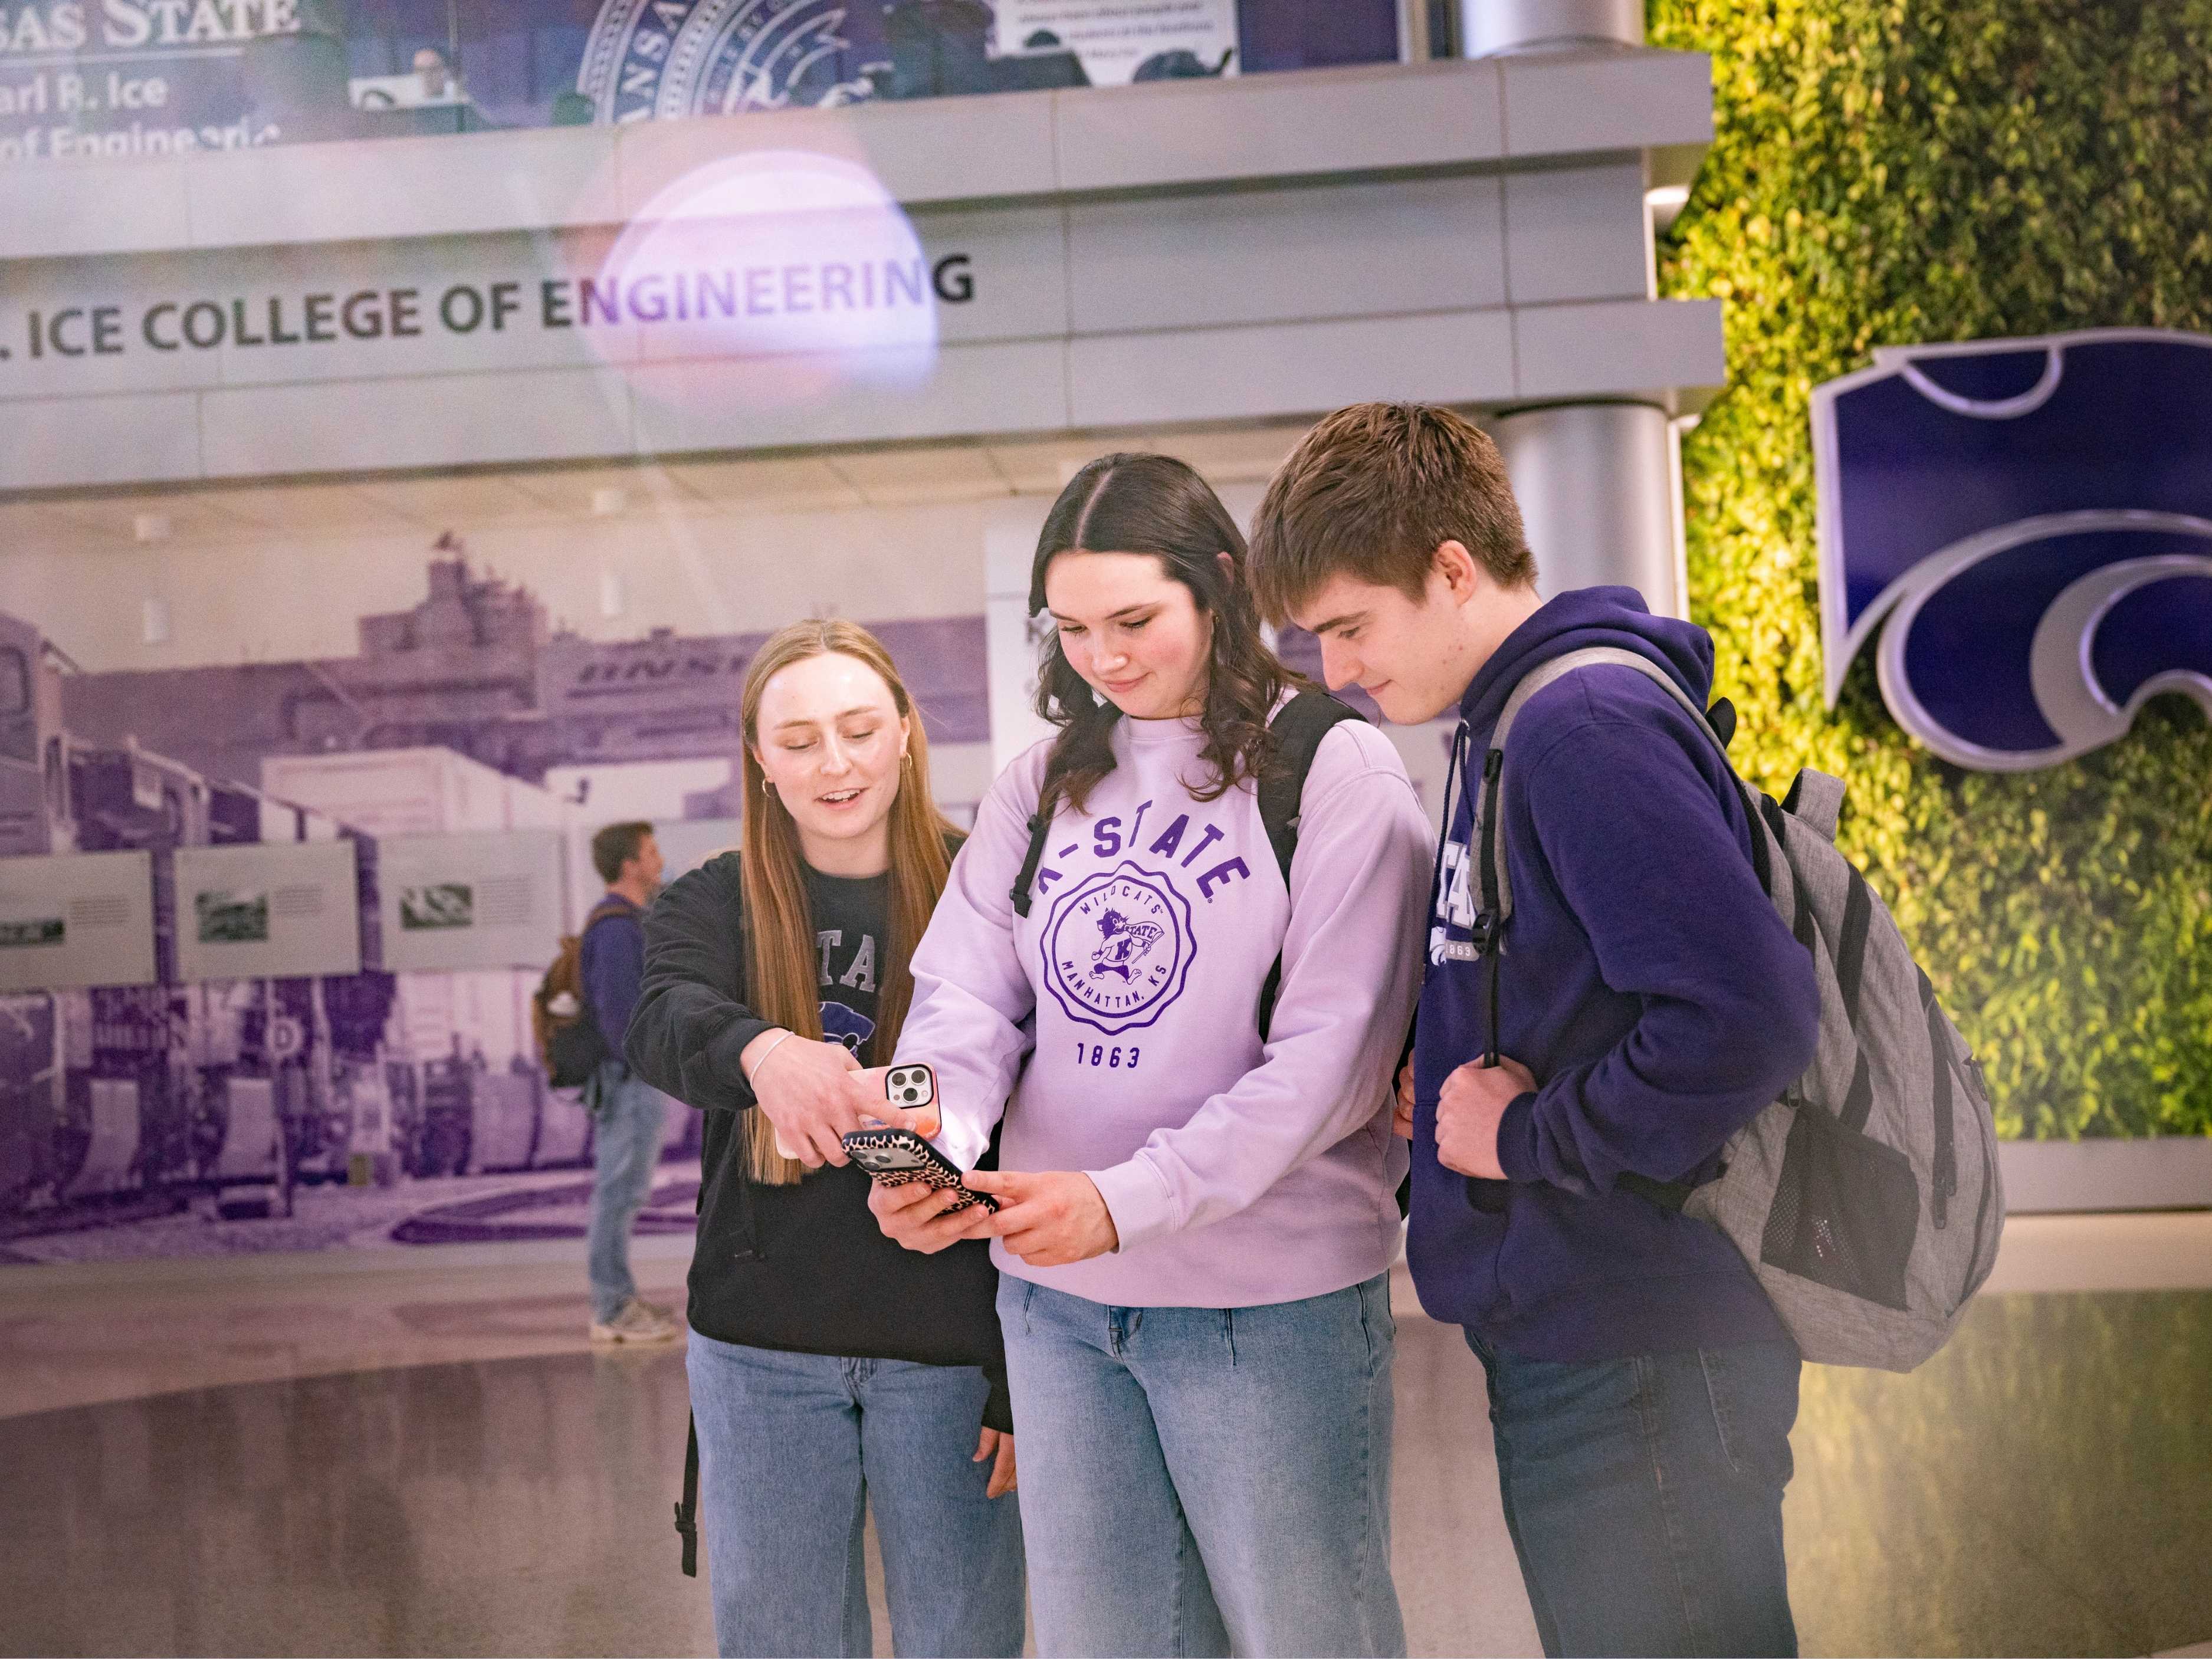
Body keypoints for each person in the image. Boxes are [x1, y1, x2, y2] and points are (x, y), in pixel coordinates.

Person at [1244, 402, 1823, 1659]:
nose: (1337, 670)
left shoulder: (1579, 728)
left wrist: (1525, 1133)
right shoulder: (1508, 726)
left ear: (1451, 569)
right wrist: (1445, 1066)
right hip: (1592, 1327)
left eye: (1352, 625)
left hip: (1640, 1345)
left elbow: (1751, 1015)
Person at [863, 454, 1430, 1658]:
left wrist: (1123, 1202)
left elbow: (1329, 1062)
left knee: (1308, 1634)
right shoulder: (1039, 781)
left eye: (1134, 620)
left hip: (1265, 1308)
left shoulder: (1335, 768)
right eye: (1070, 628)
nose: (1104, 658)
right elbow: (961, 1001)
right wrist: (916, 1139)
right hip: (1057, 1306)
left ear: (1220, 587)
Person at [625, 620, 1025, 1659]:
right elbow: (660, 1015)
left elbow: (1047, 1108)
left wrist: (1015, 1375)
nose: (833, 762)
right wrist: (758, 1050)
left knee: (965, 1634)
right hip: (762, 1347)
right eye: (798, 740)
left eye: (856, 729)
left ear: (904, 732)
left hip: (950, 1343)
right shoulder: (715, 897)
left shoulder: (988, 883)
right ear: (760, 759)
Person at [581, 819, 680, 1345]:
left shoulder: (622, 921)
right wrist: (655, 1064)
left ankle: (616, 1297)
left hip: (629, 1077)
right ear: (629, 863)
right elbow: (622, 1016)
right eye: (651, 850)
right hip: (628, 1079)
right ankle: (612, 1305)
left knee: (623, 1189)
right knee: (619, 1191)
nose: (659, 860)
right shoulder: (617, 928)